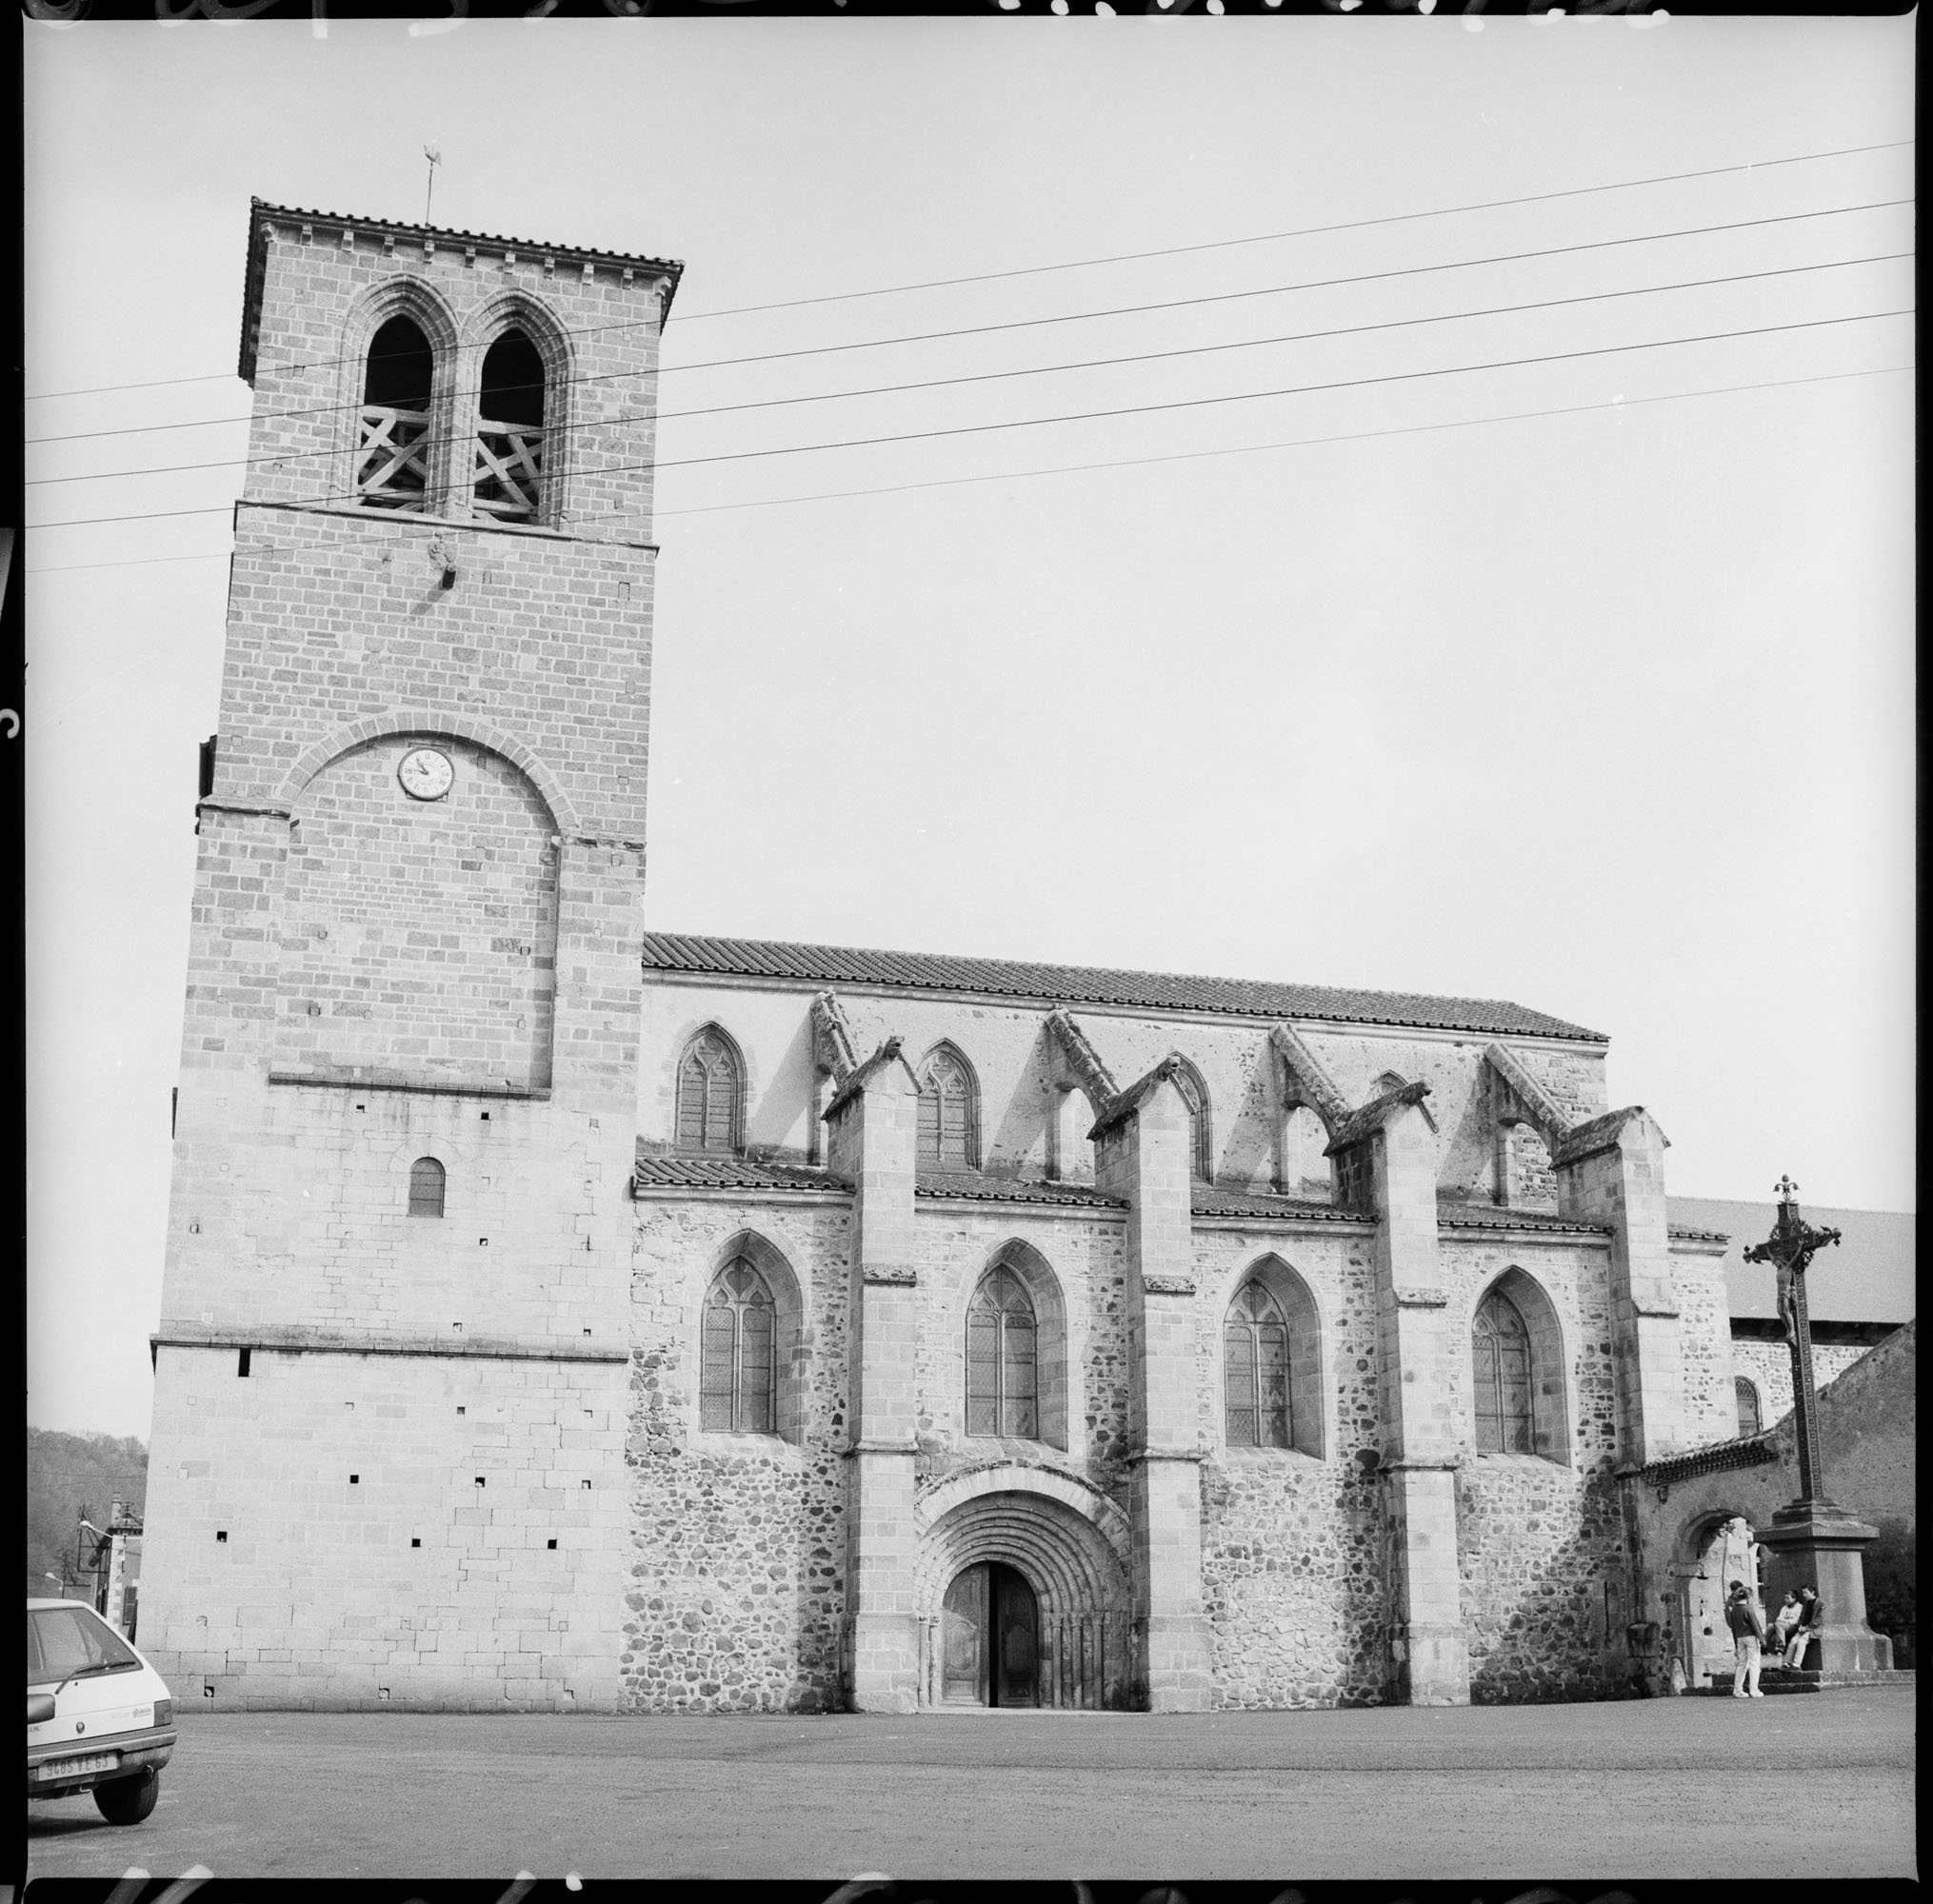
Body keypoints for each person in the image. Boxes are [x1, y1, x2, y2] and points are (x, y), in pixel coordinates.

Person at [1724, 1581, 1765, 1697]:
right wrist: (1762, 1640)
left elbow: (1733, 1628)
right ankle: (1754, 1689)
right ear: (1748, 1597)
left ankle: (1737, 1690)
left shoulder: (1734, 1611)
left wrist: (1736, 1644)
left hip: (1739, 1638)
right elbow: (1755, 1625)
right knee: (1754, 1663)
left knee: (1741, 1664)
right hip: (1750, 1637)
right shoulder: (1748, 1609)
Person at [1784, 1585, 1823, 1669]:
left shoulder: (1820, 1604)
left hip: (1813, 1630)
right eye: (1803, 1592)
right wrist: (1800, 1625)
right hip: (1803, 1629)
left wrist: (1806, 1628)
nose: (1804, 1595)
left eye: (1806, 1592)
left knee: (1801, 1641)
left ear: (1812, 1592)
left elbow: (1819, 1620)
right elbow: (1801, 1618)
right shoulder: (1805, 1604)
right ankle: (1787, 1663)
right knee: (1793, 1640)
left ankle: (1797, 1664)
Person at [1768, 1590, 1803, 1657]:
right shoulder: (1784, 1608)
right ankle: (1764, 1645)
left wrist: (1785, 1622)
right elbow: (1779, 1619)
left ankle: (1781, 1648)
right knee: (1770, 1626)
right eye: (1785, 1598)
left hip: (1792, 1627)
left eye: (1788, 1598)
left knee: (1778, 1624)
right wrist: (1783, 1622)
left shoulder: (1799, 1607)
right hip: (1782, 1626)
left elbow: (1796, 1620)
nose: (1785, 1600)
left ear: (1794, 1598)